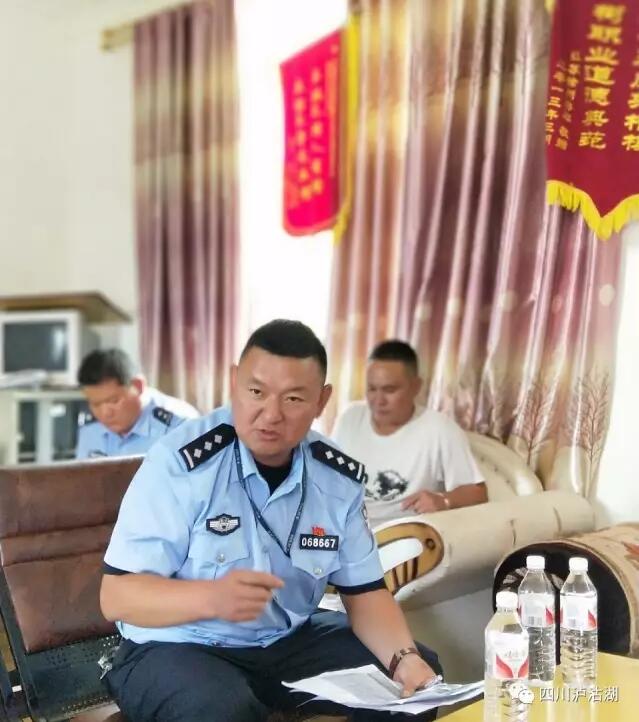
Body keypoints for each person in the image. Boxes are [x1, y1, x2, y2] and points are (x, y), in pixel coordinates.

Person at [100, 320, 442, 722]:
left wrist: (404, 658)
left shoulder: (335, 477)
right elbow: (116, 597)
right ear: (234, 383)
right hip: (176, 645)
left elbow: (364, 592)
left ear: (321, 400)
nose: (271, 414)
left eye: (294, 398)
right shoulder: (180, 464)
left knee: (413, 684)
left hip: (284, 642)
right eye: (256, 392)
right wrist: (211, 598)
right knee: (220, 709)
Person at [332, 340, 486, 527]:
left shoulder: (439, 429)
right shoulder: (349, 418)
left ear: (416, 387)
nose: (378, 400)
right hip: (344, 527)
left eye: (389, 390)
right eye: (372, 389)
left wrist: (443, 500)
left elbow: (478, 492)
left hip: (400, 534)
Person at [75, 349, 199, 459]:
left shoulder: (180, 425)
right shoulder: (89, 429)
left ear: (138, 386)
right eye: (96, 404)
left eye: (114, 401)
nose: (105, 413)